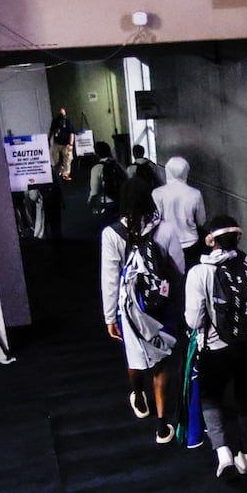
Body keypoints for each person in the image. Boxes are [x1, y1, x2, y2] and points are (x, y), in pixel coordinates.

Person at [184, 214, 247, 477]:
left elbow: (193, 319)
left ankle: (222, 451)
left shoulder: (199, 272)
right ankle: (246, 456)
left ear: (210, 241)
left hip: (215, 348)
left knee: (211, 396)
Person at [100, 178, 186, 444]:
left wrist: (109, 316)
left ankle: (138, 395)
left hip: (131, 309)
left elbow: (110, 278)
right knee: (162, 360)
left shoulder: (112, 234)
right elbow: (179, 269)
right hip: (161, 305)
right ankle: (162, 426)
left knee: (135, 355)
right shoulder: (166, 229)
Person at [153, 155, 208, 269]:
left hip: (166, 245)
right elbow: (201, 221)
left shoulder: (157, 193)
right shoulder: (195, 194)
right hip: (191, 243)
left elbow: (156, 220)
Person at [88, 141, 125, 224]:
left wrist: (90, 203)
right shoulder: (118, 165)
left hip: (108, 204)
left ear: (97, 153)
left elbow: (95, 191)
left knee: (108, 229)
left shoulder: (97, 168)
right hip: (122, 202)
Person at [49, 107, 74, 180]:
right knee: (54, 156)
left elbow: (71, 133)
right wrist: (48, 140)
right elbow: (51, 131)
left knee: (68, 157)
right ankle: (59, 171)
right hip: (57, 143)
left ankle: (66, 173)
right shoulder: (55, 121)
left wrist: (71, 144)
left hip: (66, 144)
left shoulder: (68, 121)